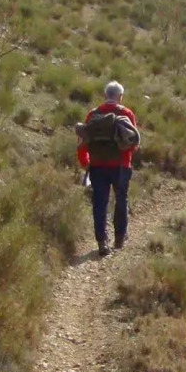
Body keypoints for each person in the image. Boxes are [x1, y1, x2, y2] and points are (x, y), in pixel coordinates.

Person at [77, 81, 139, 257]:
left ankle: (102, 241)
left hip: (97, 165)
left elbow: (83, 143)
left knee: (99, 202)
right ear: (120, 97)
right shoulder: (126, 113)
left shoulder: (93, 114)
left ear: (105, 95)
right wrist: (126, 159)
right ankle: (119, 238)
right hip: (120, 166)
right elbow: (133, 142)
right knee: (121, 200)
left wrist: (85, 161)